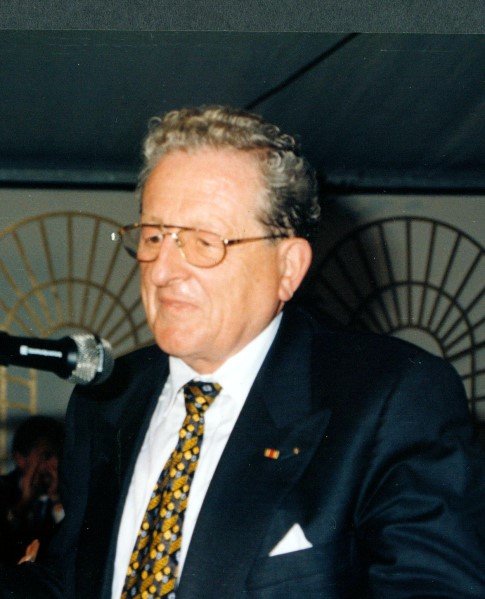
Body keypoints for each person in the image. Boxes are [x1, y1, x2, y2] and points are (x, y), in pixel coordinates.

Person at [1, 105, 484, 598]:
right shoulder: (107, 400)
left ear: (288, 267)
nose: (162, 270)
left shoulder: (389, 401)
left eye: (203, 241)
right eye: (153, 236)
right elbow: (74, 578)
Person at [0, 415, 64, 566]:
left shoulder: (68, 494)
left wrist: (56, 501)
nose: (55, 463)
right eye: (46, 455)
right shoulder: (3, 489)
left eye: (59, 455)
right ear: (21, 459)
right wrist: (22, 504)